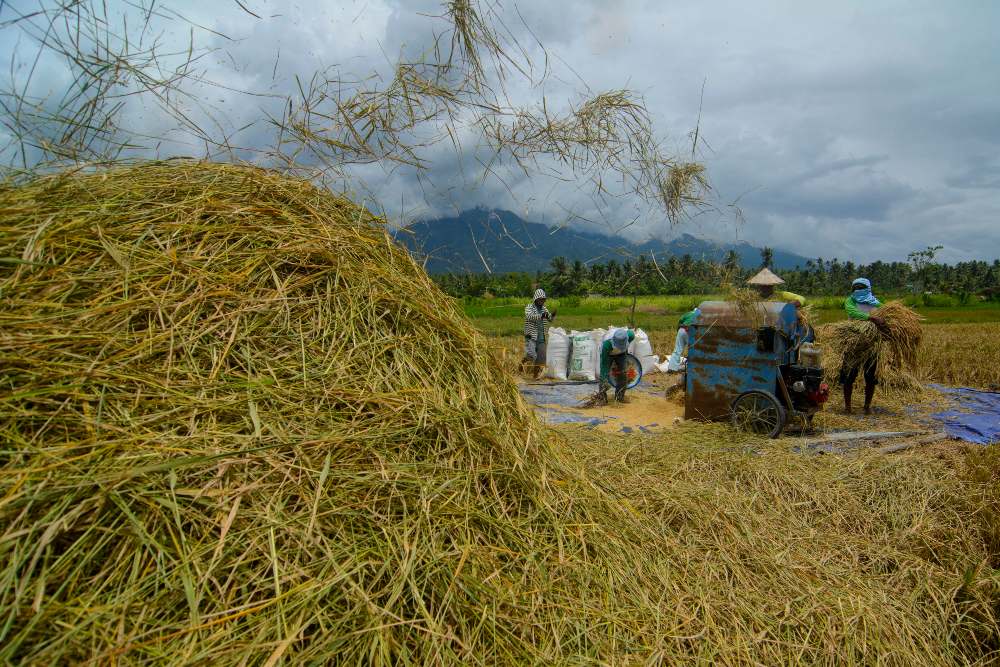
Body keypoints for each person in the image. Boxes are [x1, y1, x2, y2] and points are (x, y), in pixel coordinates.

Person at [840, 278, 888, 415]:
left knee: (871, 378)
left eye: (861, 288)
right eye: (856, 288)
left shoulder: (876, 302)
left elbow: (886, 315)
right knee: (848, 377)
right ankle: (848, 407)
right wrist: (871, 318)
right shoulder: (850, 301)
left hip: (872, 344)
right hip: (854, 343)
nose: (858, 290)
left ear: (868, 289)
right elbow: (852, 313)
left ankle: (867, 406)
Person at [521, 288, 555, 379]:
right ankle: (522, 363)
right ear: (536, 299)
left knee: (540, 359)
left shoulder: (544, 309)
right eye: (540, 299)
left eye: (543, 299)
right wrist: (541, 316)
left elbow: (549, 319)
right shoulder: (529, 307)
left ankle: (535, 377)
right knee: (532, 355)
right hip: (531, 335)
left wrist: (552, 315)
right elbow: (530, 316)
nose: (542, 301)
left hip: (541, 336)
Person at [597, 327, 635, 404]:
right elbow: (604, 367)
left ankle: (619, 397)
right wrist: (604, 381)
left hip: (622, 354)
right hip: (609, 354)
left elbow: (630, 334)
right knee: (604, 374)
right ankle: (602, 398)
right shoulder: (606, 345)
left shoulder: (630, 336)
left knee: (623, 373)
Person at [666, 307, 700, 372]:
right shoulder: (700, 315)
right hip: (691, 331)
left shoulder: (688, 313)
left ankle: (672, 368)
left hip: (681, 330)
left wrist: (678, 331)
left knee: (677, 349)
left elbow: (680, 321)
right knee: (692, 349)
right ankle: (691, 368)